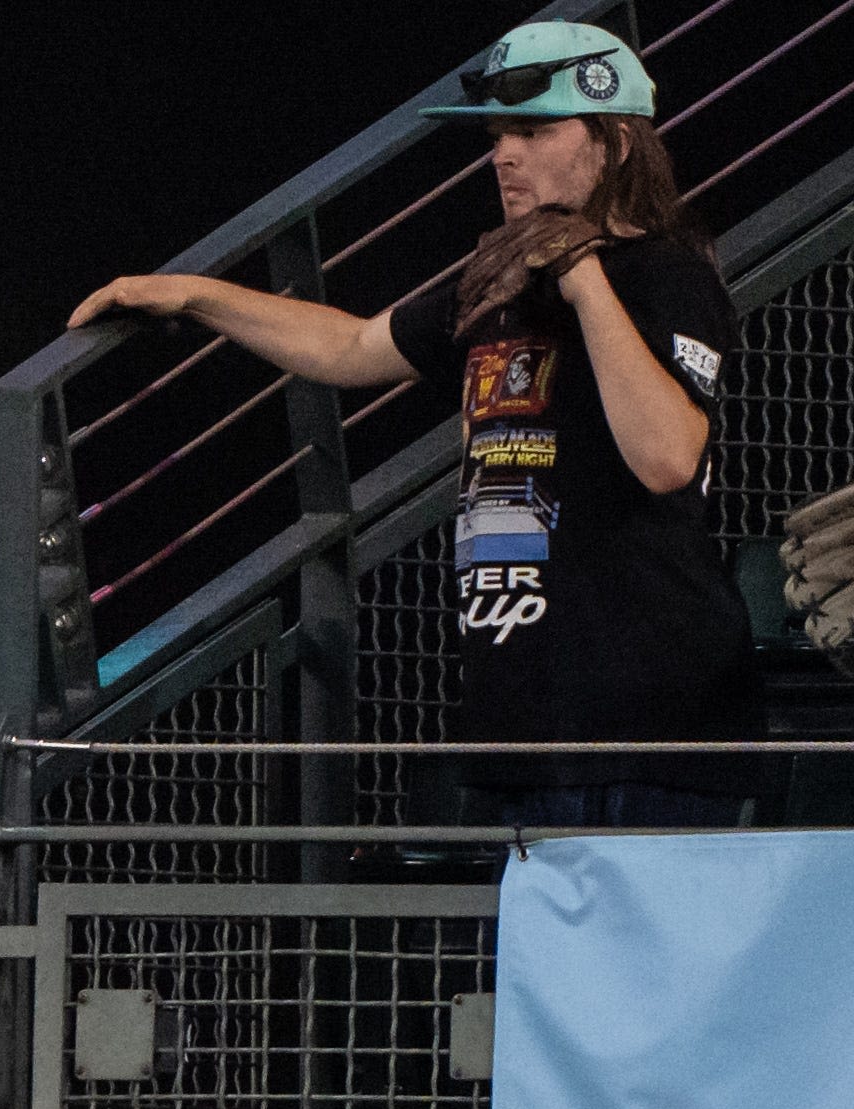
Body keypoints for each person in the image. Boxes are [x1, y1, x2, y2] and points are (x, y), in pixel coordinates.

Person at [70, 22, 756, 827]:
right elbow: (349, 345)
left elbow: (667, 457)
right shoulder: (502, 281)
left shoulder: (664, 274)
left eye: (532, 131)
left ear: (610, 143)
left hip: (649, 717)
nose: (503, 155)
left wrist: (582, 278)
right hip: (526, 711)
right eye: (498, 135)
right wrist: (192, 294)